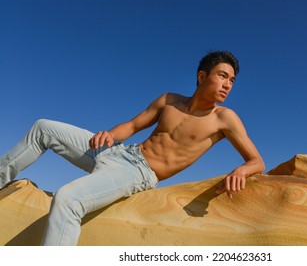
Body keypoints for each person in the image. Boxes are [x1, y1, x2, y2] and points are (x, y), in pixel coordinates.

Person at [0, 51, 265, 245]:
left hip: (138, 173)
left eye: (232, 80)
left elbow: (256, 160)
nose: (228, 85)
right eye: (223, 76)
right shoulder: (169, 100)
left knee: (68, 199)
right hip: (119, 152)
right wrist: (109, 134)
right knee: (43, 127)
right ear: (202, 76)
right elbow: (133, 124)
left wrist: (242, 171)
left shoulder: (225, 118)